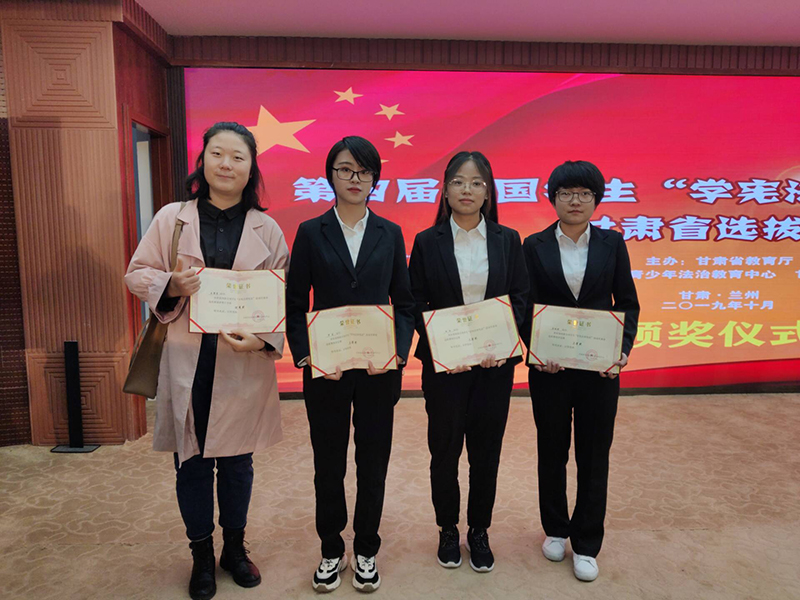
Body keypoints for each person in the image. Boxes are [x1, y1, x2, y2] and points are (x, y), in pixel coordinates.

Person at [125, 122, 289, 600]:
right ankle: (201, 554)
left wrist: (261, 339)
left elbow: (279, 296)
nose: (226, 164)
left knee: (238, 464)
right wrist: (171, 285)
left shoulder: (267, 228)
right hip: (187, 359)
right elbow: (137, 273)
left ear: (251, 168)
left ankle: (234, 549)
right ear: (202, 162)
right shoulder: (172, 219)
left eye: (238, 157)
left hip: (241, 361)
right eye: (217, 154)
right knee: (192, 464)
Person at [285, 136, 415, 593]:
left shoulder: (390, 233)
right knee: (328, 463)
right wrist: (307, 354)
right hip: (327, 370)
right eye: (345, 169)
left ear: (375, 178)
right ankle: (330, 548)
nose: (354, 178)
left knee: (373, 461)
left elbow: (404, 302)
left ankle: (366, 547)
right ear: (331, 176)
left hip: (379, 370)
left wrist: (397, 352)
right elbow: (295, 302)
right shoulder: (310, 232)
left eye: (363, 171)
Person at [408, 151, 529, 573]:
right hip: (445, 368)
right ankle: (447, 528)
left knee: (486, 451)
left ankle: (479, 529)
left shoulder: (508, 239)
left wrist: (504, 338)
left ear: (488, 191)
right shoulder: (427, 241)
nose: (467, 189)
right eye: (459, 181)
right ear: (445, 190)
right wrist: (444, 346)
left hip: (495, 367)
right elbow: (415, 301)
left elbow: (521, 297)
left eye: (477, 182)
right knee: (444, 450)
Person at [521, 160, 639, 582]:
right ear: (553, 198)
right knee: (551, 450)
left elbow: (627, 303)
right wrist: (536, 350)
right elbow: (525, 306)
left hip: (598, 371)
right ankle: (555, 528)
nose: (575, 201)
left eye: (585, 193)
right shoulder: (533, 246)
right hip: (550, 369)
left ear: (596, 200)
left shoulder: (612, 243)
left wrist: (620, 350)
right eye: (566, 193)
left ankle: (587, 543)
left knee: (593, 454)